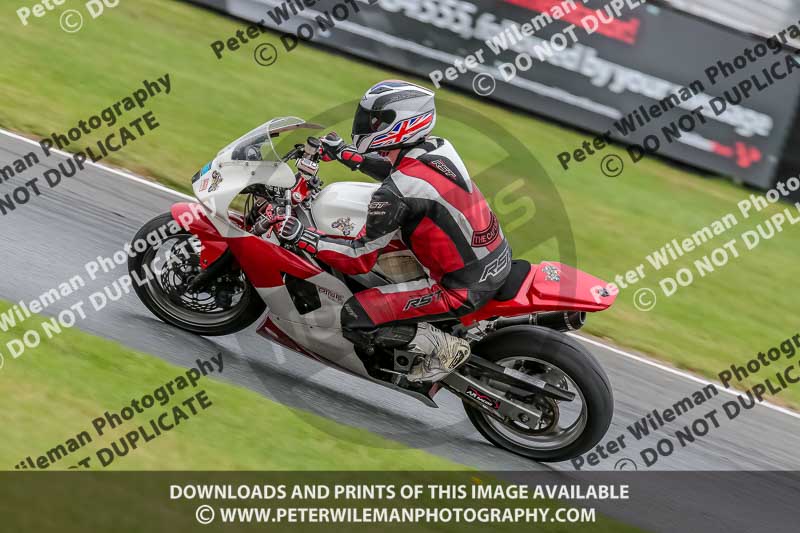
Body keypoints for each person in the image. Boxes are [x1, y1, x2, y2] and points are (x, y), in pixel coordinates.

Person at [262, 80, 512, 382]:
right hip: (492, 258)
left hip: (459, 287)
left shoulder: (394, 194)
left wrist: (303, 236)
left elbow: (358, 258)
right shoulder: (438, 148)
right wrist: (348, 156)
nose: (367, 124)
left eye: (377, 120)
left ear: (403, 124)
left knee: (355, 315)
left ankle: (445, 347)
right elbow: (399, 171)